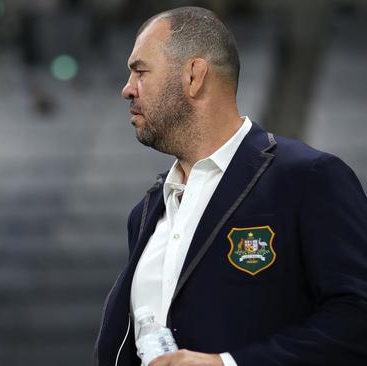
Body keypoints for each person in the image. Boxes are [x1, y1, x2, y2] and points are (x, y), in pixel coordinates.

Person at [94, 6, 367, 366]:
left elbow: (357, 319)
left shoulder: (308, 178)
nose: (127, 89)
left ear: (194, 76)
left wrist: (228, 363)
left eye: (140, 72)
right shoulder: (145, 213)